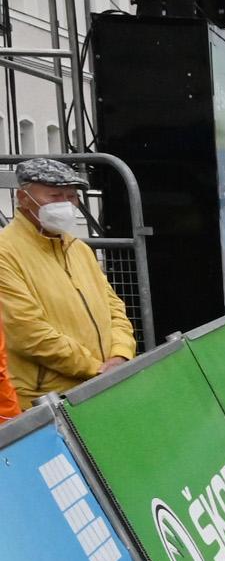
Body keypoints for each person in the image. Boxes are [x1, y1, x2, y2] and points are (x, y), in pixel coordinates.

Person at [0, 159, 137, 399]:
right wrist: (95, 368)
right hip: (43, 399)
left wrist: (120, 354)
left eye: (71, 196)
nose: (66, 205)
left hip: (98, 387)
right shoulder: (6, 252)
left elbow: (115, 308)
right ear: (23, 199)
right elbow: (27, 331)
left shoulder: (78, 249)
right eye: (55, 196)